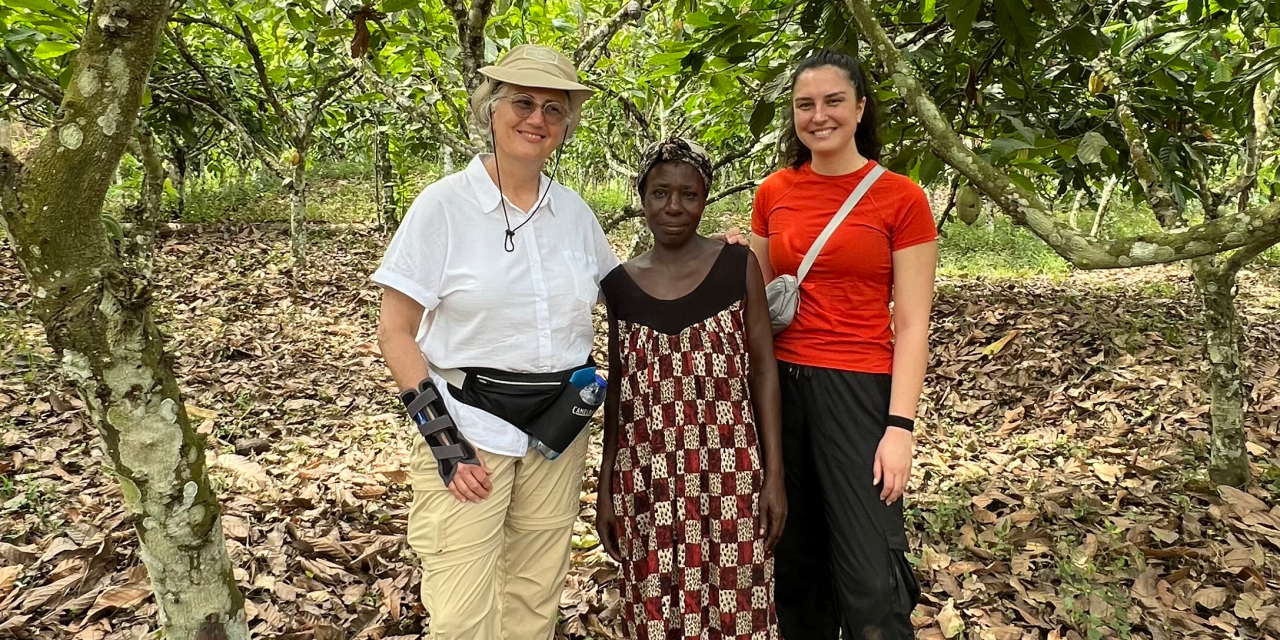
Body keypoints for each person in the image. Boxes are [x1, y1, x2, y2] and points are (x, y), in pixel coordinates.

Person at [372, 44, 619, 639]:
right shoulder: (444, 207)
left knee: (534, 596)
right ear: (492, 109)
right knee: (461, 611)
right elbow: (395, 328)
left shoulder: (575, 214)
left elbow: (629, 296)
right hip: (470, 429)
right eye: (523, 102)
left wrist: (713, 261)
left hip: (557, 433)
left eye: (553, 110)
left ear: (565, 128)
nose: (536, 119)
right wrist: (441, 437)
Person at [741, 49, 937, 639]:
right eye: (805, 104)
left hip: (859, 389)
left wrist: (899, 428)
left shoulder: (901, 198)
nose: (818, 115)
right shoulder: (774, 191)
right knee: (795, 563)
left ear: (859, 109)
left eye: (832, 102)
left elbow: (912, 324)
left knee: (869, 573)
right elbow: (754, 294)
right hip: (780, 388)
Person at [596, 138, 786, 640]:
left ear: (706, 199)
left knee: (737, 600)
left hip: (731, 467)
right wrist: (606, 484)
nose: (674, 208)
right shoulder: (619, 284)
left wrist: (774, 475)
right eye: (660, 193)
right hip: (647, 474)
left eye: (688, 194)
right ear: (641, 197)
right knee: (655, 603)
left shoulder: (737, 266)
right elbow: (619, 387)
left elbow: (763, 370)